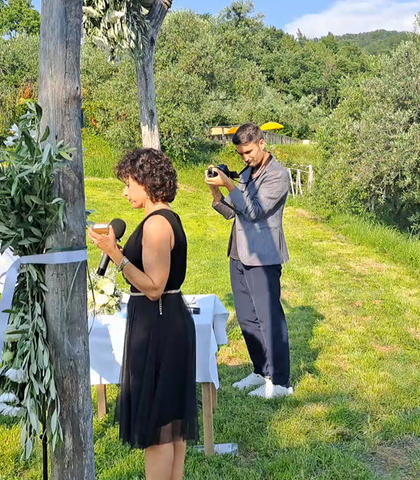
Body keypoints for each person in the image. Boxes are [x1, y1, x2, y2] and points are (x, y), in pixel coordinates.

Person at [88, 148, 198, 480]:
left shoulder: (156, 225)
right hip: (164, 321)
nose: (125, 191)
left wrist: (116, 257)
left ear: (146, 183)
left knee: (157, 423)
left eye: (128, 183)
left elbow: (153, 286)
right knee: (170, 424)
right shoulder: (164, 218)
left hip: (159, 325)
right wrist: (119, 252)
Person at [205, 122, 293, 399]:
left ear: (262, 143)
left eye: (249, 151)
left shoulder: (278, 176)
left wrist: (230, 183)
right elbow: (233, 212)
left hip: (264, 255)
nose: (246, 158)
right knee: (247, 318)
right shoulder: (247, 172)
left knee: (269, 319)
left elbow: (254, 212)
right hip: (238, 252)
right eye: (241, 154)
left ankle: (280, 382)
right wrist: (217, 193)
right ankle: (261, 371)